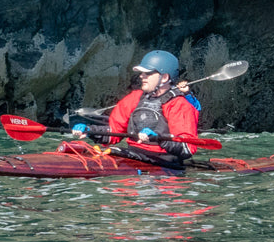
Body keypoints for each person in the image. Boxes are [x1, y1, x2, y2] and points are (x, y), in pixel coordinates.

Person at [72, 50, 201, 164]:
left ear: (164, 77)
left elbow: (187, 148)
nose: (142, 76)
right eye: (142, 73)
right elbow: (114, 133)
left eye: (148, 73)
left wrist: (159, 138)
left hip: (164, 164)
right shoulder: (135, 98)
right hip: (134, 156)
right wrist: (90, 130)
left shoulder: (179, 104)